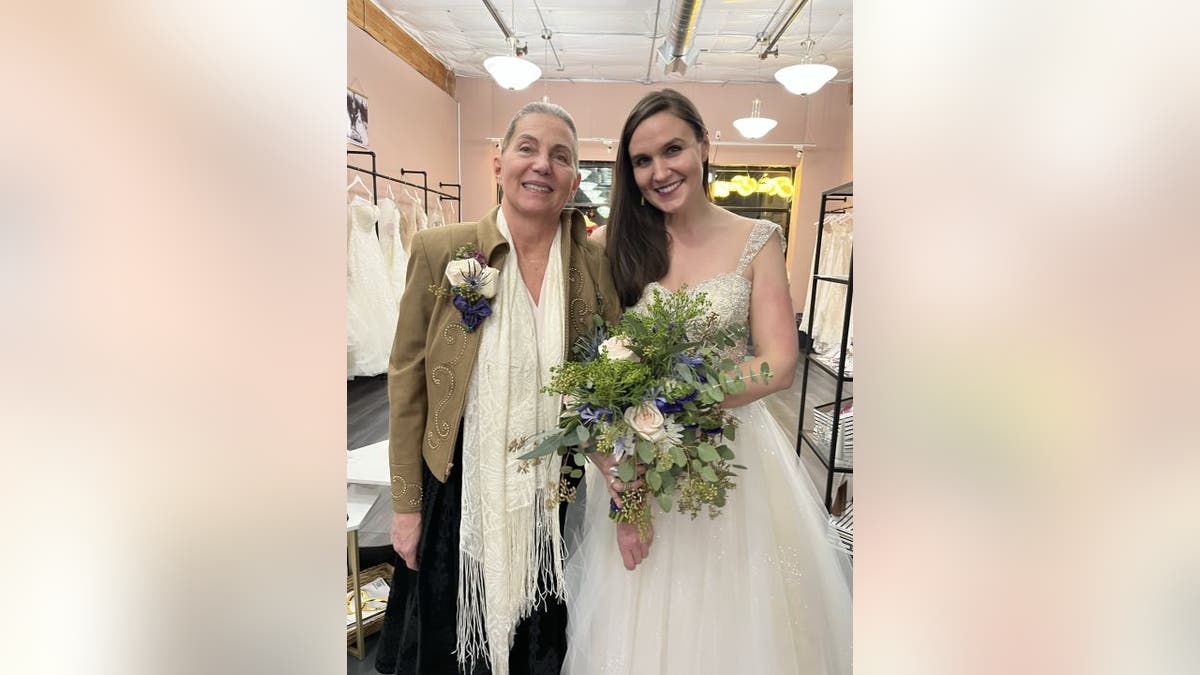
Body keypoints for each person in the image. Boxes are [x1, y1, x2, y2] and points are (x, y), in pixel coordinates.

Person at [561, 89, 853, 674]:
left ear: (704, 146)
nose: (659, 172)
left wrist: (680, 403)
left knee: (738, 618)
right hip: (637, 460)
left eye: (673, 150)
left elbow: (777, 361)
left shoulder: (757, 241)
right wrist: (629, 473)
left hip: (731, 456)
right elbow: (588, 370)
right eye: (642, 161)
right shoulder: (610, 244)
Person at [382, 101, 626, 675]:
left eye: (560, 156)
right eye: (528, 149)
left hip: (555, 495)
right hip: (457, 489)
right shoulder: (443, 251)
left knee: (540, 649)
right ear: (498, 164)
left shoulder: (596, 266)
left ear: (573, 180)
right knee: (451, 646)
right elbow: (407, 384)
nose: (542, 165)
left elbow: (614, 380)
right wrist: (406, 507)